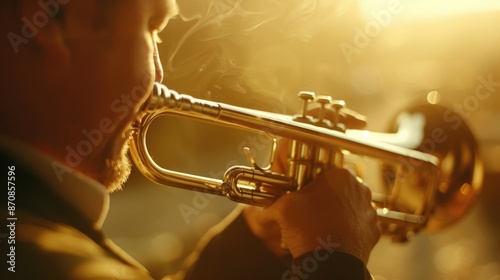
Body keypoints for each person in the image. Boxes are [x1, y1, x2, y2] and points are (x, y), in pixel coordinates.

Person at [0, 0, 379, 279]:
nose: (160, 76)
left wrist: (256, 240)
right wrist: (333, 261)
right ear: (53, 21)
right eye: (151, 29)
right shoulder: (40, 254)